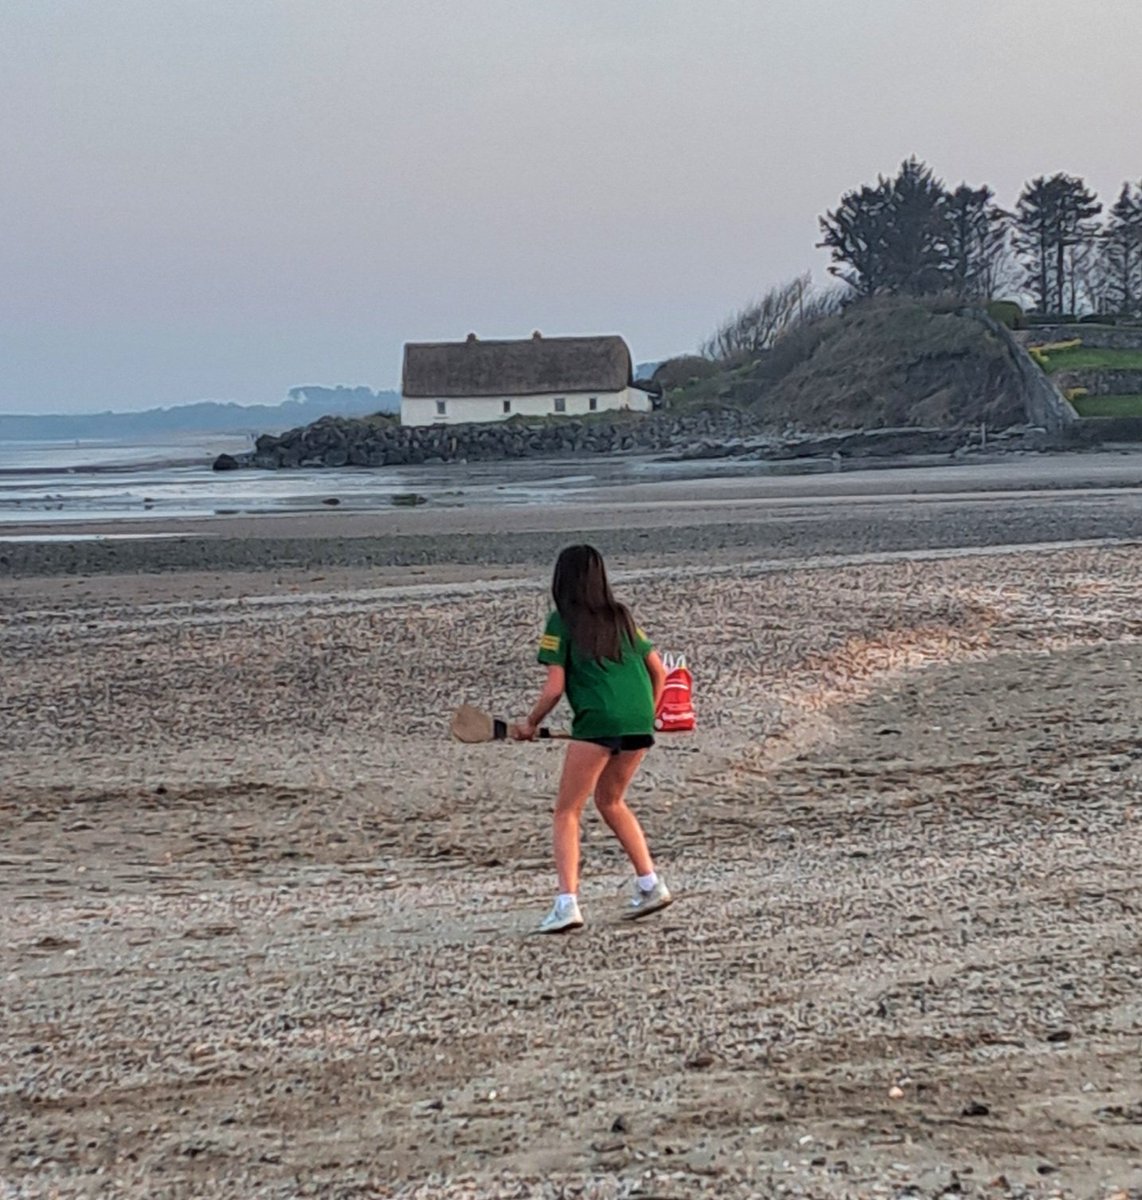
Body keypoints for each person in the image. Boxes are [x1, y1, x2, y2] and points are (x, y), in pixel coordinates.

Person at [512, 544, 673, 933]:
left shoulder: (562, 621)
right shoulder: (622, 617)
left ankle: (566, 903)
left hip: (598, 721)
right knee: (611, 801)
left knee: (567, 811)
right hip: (639, 720)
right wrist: (647, 714)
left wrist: (530, 724)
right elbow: (660, 671)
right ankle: (650, 884)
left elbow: (554, 689)